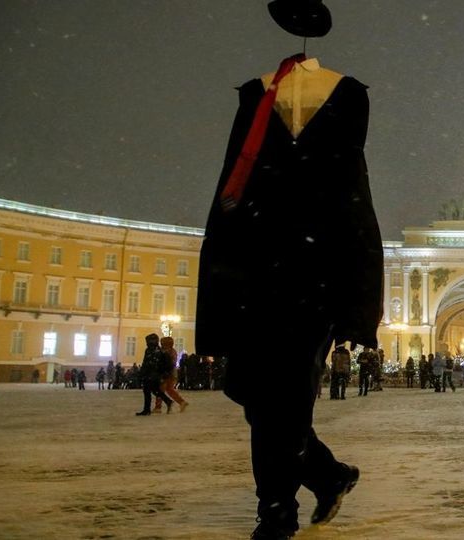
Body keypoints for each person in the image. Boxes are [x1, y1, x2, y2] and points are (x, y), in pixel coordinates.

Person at [194, 3, 383, 536]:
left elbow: (352, 189)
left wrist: (356, 296)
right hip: (257, 276)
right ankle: (329, 475)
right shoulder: (256, 95)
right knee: (258, 397)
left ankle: (276, 513)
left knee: (287, 401)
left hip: (315, 280)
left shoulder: (347, 94)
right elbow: (234, 185)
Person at [136, 334, 172, 415]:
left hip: (154, 374)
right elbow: (145, 363)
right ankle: (168, 401)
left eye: (148, 341)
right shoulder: (149, 350)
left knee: (149, 390)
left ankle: (147, 409)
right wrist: (142, 373)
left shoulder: (159, 351)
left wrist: (163, 374)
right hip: (149, 374)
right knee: (155, 390)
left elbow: (165, 364)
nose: (147, 343)